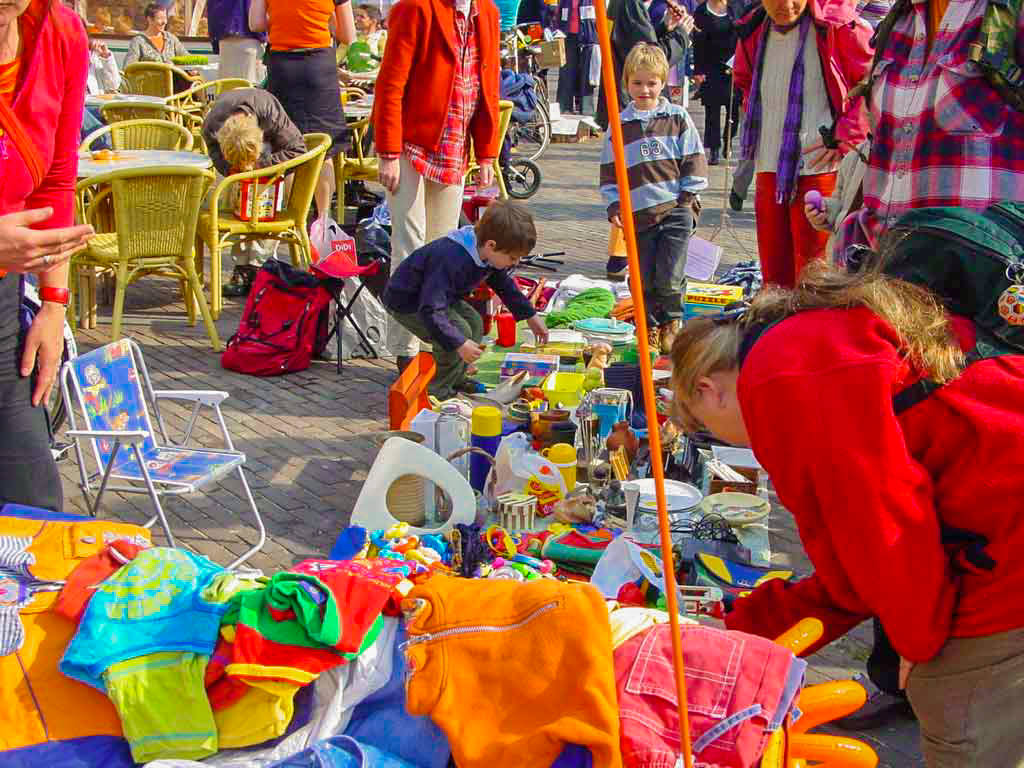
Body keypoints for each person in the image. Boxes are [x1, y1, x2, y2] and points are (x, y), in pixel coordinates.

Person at [669, 261, 1024, 767]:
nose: (733, 442)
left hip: (1006, 536)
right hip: (998, 509)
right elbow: (851, 575)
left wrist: (916, 643)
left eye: (709, 428)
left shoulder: (781, 376)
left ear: (708, 388)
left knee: (957, 716)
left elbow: (885, 525)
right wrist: (737, 629)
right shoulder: (800, 338)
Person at [832, 0, 1024, 264]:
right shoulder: (898, 22)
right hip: (889, 276)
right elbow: (886, 162)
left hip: (981, 284)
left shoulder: (1011, 14)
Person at [0, 0, 95, 511]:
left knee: (36, 514)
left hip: (6, 301)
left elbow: (57, 180)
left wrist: (54, 306)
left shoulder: (58, 33)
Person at [372, 0, 501, 373]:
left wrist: (487, 152)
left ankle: (441, 345)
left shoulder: (487, 13)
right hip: (412, 143)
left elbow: (487, 85)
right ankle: (406, 350)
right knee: (409, 245)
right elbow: (391, 83)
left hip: (455, 147)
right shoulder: (415, 8)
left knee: (444, 252)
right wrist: (388, 152)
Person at [733, 0, 871, 288]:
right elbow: (745, 80)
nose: (785, 5)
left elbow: (868, 81)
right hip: (769, 164)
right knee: (774, 274)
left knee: (815, 273)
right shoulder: (753, 28)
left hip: (817, 168)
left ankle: (809, 330)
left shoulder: (839, 27)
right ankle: (776, 330)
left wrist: (842, 135)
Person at [599, 44, 707, 353]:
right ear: (627, 83)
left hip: (675, 209)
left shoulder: (677, 117)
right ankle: (647, 325)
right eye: (637, 83)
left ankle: (671, 321)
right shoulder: (619, 125)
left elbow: (693, 159)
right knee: (642, 279)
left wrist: (687, 200)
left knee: (670, 276)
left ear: (663, 83)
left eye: (651, 83)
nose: (644, 90)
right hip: (638, 214)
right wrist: (615, 205)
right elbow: (610, 172)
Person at [383, 200, 549, 400]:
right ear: (491, 245)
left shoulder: (486, 252)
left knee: (474, 322)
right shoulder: (452, 259)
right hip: (409, 301)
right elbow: (430, 308)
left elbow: (503, 284)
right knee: (455, 335)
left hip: (437, 297)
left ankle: (457, 378)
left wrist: (530, 315)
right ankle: (437, 392)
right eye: (513, 258)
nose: (516, 263)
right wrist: (458, 343)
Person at [597, 0, 694, 280]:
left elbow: (636, 44)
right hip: (630, 109)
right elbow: (647, 63)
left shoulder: (628, 5)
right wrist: (680, 36)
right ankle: (622, 255)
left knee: (636, 174)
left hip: (623, 101)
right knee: (637, 175)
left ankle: (621, 254)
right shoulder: (629, 4)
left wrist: (665, 27)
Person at [248, 0, 355, 224]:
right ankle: (324, 219)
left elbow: (256, 23)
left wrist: (282, 21)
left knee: (286, 145)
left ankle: (296, 218)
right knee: (325, 148)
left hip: (282, 66)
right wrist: (324, 21)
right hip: (318, 66)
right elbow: (347, 35)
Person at [201, 88, 307, 296]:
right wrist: (230, 168)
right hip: (241, 167)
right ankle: (242, 265)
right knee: (234, 196)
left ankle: (260, 264)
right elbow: (214, 149)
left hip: (270, 164)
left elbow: (298, 149)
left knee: (268, 195)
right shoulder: (212, 124)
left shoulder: (270, 112)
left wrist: (260, 165)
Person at [802, 138, 868, 264]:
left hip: (875, 259)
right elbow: (839, 201)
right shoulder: (853, 157)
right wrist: (826, 212)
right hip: (844, 261)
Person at [692, 0, 740, 165]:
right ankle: (714, 149)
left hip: (734, 66)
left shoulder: (737, 7)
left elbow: (745, 34)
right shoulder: (701, 11)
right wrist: (698, 71)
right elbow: (698, 43)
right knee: (711, 111)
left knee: (733, 110)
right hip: (711, 67)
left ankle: (728, 140)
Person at [552, 0, 596, 116]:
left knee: (587, 76)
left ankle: (587, 110)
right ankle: (563, 107)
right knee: (566, 72)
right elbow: (559, 14)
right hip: (568, 36)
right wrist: (556, 31)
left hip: (588, 38)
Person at [207, 0, 266, 82]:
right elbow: (256, 21)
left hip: (226, 42)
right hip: (248, 42)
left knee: (229, 90)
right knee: (248, 90)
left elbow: (213, 15)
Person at [124, 2, 188, 66]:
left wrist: (192, 69)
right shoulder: (139, 41)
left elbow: (186, 58)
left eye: (165, 18)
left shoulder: (171, 39)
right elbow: (128, 66)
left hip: (171, 75)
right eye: (160, 18)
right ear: (149, 19)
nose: (164, 22)